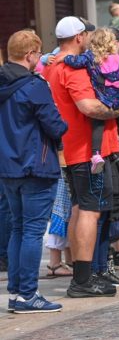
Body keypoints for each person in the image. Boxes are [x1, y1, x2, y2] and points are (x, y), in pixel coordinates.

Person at [44, 16, 119, 298]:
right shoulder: (70, 67)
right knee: (90, 211)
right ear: (78, 37)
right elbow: (88, 106)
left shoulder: (51, 65)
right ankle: (81, 280)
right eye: (86, 34)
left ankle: (83, 275)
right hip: (87, 151)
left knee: (80, 210)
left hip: (71, 149)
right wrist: (116, 109)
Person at [0, 30, 69, 313]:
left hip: (7, 166)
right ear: (30, 55)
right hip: (34, 166)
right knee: (30, 231)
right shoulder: (33, 85)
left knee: (19, 227)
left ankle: (17, 292)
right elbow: (55, 125)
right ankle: (27, 294)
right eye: (38, 54)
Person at [62, 28, 119, 175]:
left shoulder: (91, 57)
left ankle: (96, 154)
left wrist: (64, 58)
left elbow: (75, 62)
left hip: (102, 96)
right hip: (117, 94)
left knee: (98, 122)